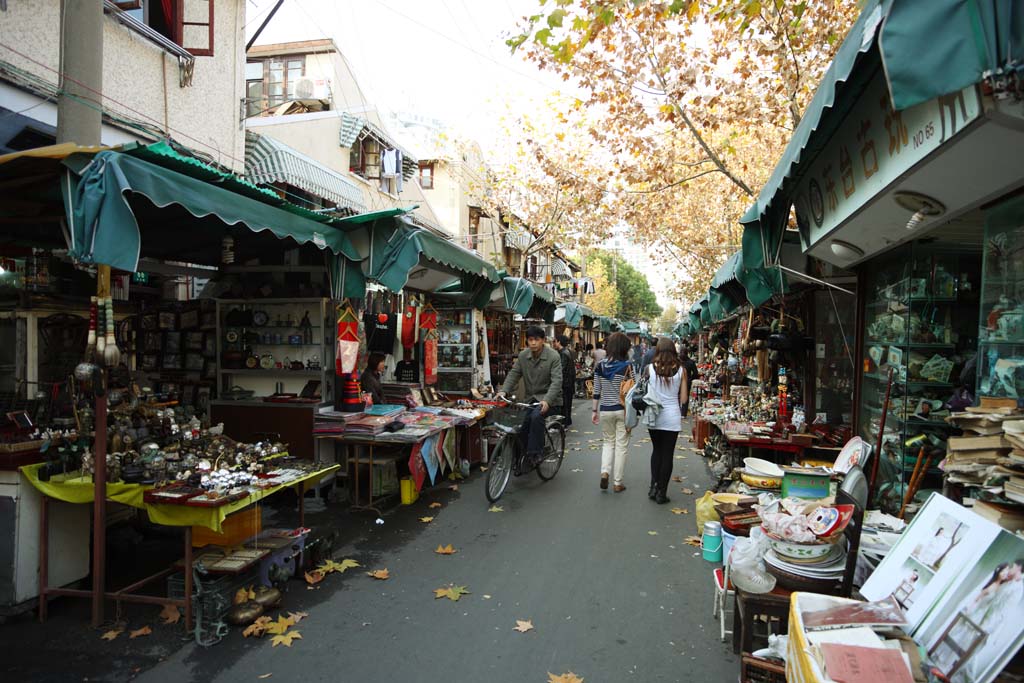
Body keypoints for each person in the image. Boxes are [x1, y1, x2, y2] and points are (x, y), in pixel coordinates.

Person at [499, 326, 562, 466]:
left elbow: (557, 382)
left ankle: (536, 452)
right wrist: (504, 390)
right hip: (530, 399)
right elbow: (514, 374)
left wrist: (547, 400)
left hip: (550, 400)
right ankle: (521, 455)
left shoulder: (553, 356)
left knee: (536, 417)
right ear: (527, 341)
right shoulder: (523, 356)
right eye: (530, 340)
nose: (533, 343)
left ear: (543, 340)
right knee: (520, 422)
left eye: (536, 340)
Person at [645, 338, 688, 503]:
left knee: (656, 451)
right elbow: (683, 399)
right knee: (667, 454)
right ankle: (662, 493)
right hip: (672, 417)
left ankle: (653, 487)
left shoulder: (649, 369)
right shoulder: (681, 370)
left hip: (654, 416)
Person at [592, 332, 633, 492]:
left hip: (605, 410)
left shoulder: (600, 366)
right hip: (622, 411)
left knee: (608, 443)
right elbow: (634, 390)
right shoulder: (628, 366)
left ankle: (604, 472)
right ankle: (617, 482)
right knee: (621, 446)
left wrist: (594, 410)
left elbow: (596, 390)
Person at [553, 334, 576, 426]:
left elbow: (560, 369)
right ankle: (567, 421)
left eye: (555, 341)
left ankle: (564, 423)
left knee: (565, 403)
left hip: (565, 383)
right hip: (569, 383)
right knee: (567, 403)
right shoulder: (567, 352)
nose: (553, 343)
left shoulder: (563, 353)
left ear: (559, 342)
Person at [678, 346, 698, 417]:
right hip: (687, 381)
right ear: (687, 353)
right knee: (685, 396)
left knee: (677, 396)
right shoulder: (691, 362)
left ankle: (677, 411)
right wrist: (690, 379)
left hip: (677, 381)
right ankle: (683, 414)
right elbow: (696, 374)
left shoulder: (677, 361)